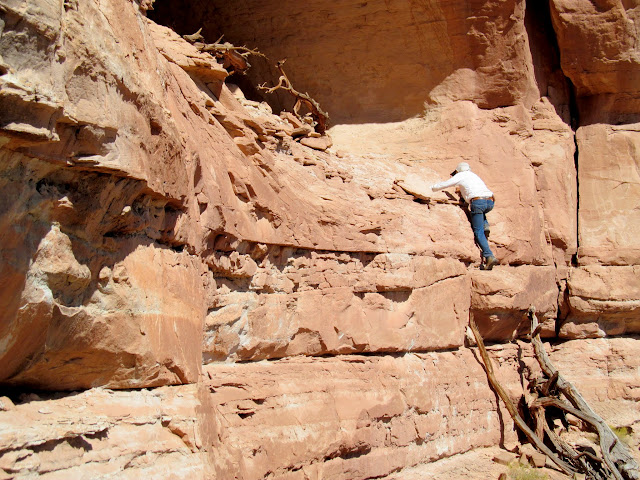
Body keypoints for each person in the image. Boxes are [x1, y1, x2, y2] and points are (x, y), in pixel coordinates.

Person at [431, 162, 499, 270]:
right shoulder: (474, 175)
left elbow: (446, 184)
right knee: (481, 210)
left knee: (478, 231)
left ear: (458, 171)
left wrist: (432, 188)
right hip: (490, 202)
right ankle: (485, 224)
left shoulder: (460, 175)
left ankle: (489, 256)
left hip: (478, 203)